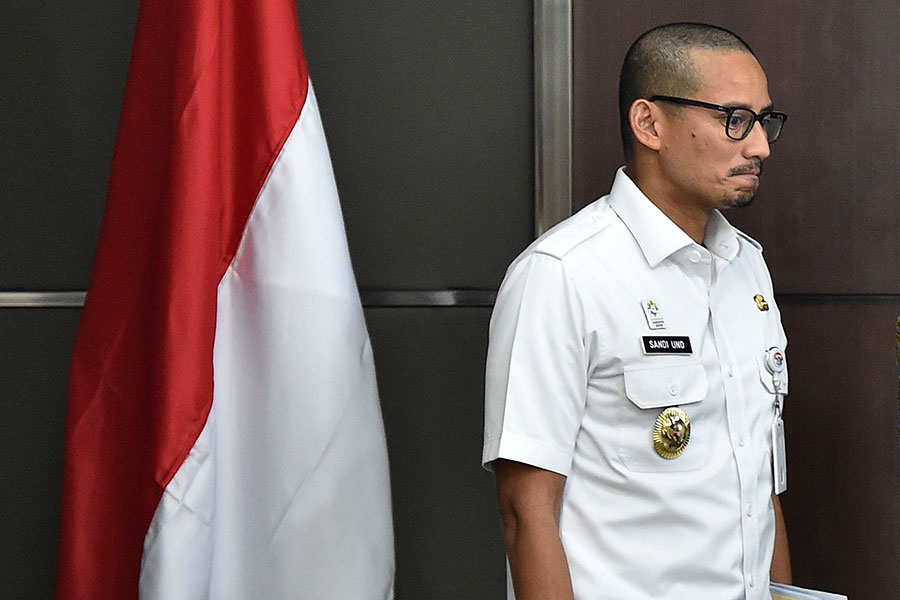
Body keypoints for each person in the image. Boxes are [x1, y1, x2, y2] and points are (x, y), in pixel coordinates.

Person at [483, 23, 792, 599]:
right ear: (649, 123)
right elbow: (526, 512)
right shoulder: (563, 274)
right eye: (734, 119)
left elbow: (758, 488)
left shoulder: (746, 266)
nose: (759, 146)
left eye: (764, 120)